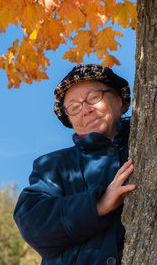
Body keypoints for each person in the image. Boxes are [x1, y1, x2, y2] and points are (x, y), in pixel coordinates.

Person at [14, 64, 136, 265]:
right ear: (70, 120)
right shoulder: (53, 165)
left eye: (94, 97)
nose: (86, 110)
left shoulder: (151, 146)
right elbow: (32, 224)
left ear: (118, 98)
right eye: (74, 108)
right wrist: (97, 205)